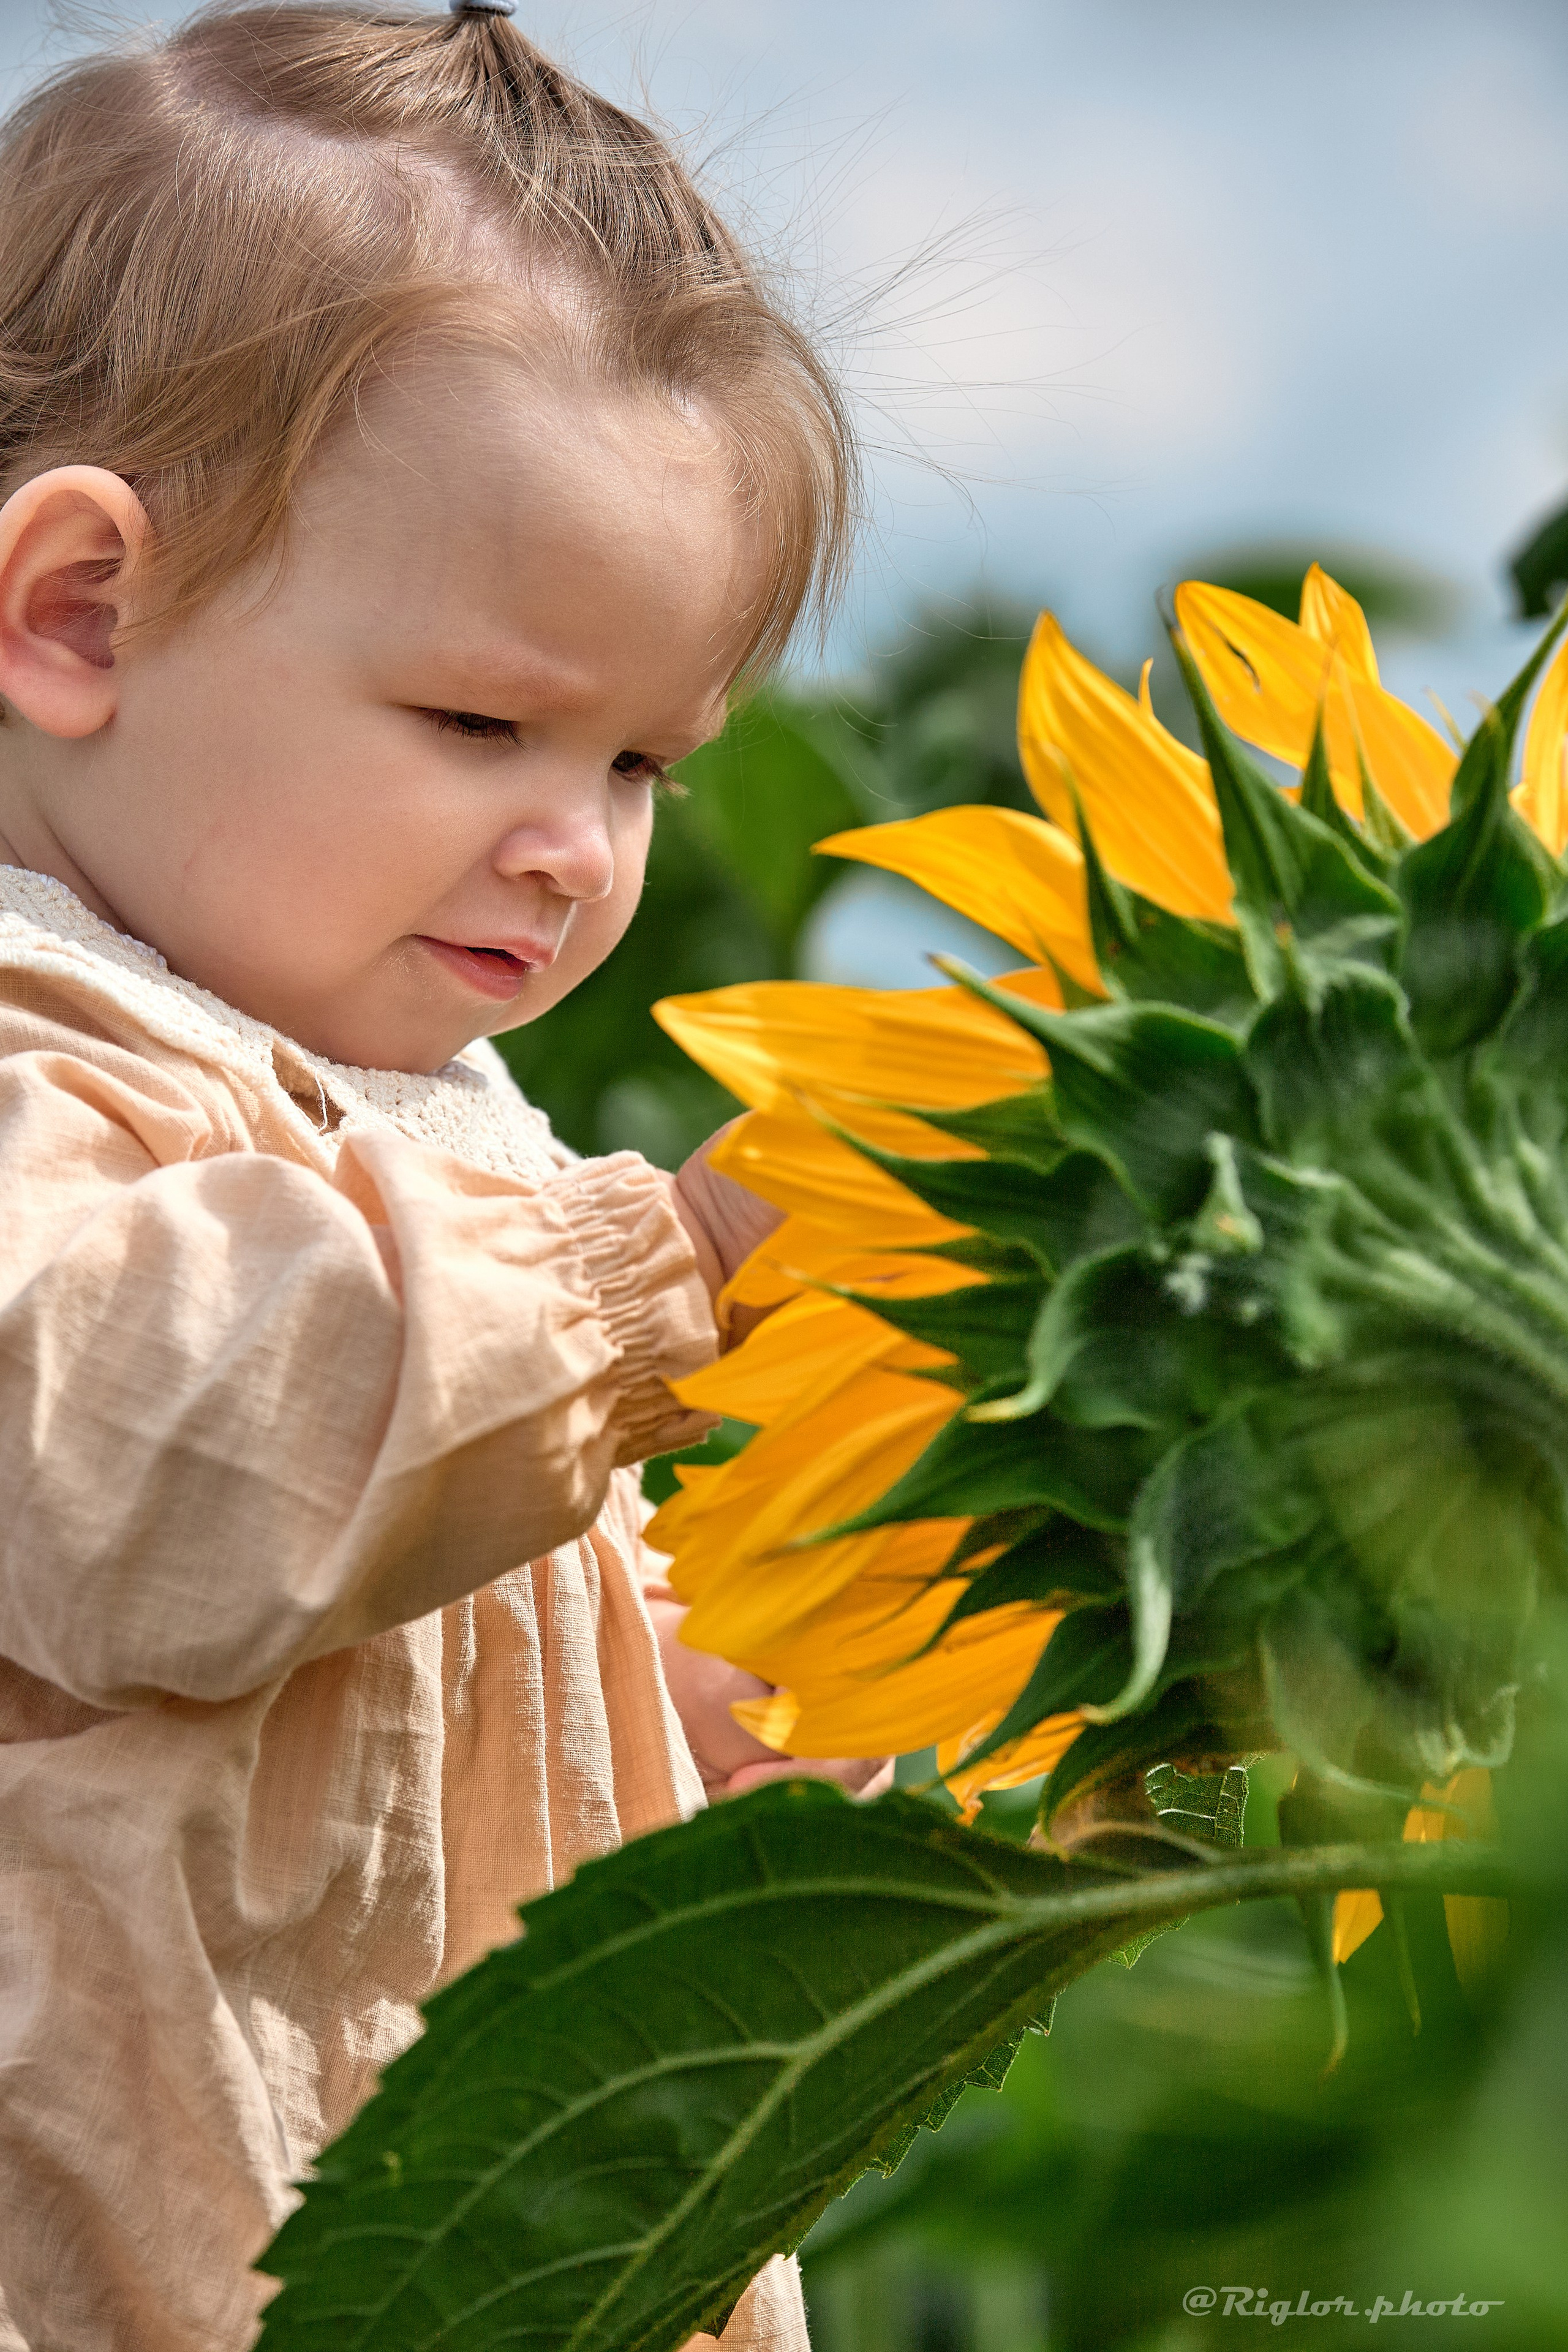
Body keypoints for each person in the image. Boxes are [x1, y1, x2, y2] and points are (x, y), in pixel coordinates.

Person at [0, 6, 891, 2343]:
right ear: (79, 612)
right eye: (485, 720)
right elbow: (138, 1450)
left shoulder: (452, 1144)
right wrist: (679, 1252)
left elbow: (416, 1747)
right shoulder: (40, 1062)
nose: (570, 848)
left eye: (644, 764)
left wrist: (707, 1705)